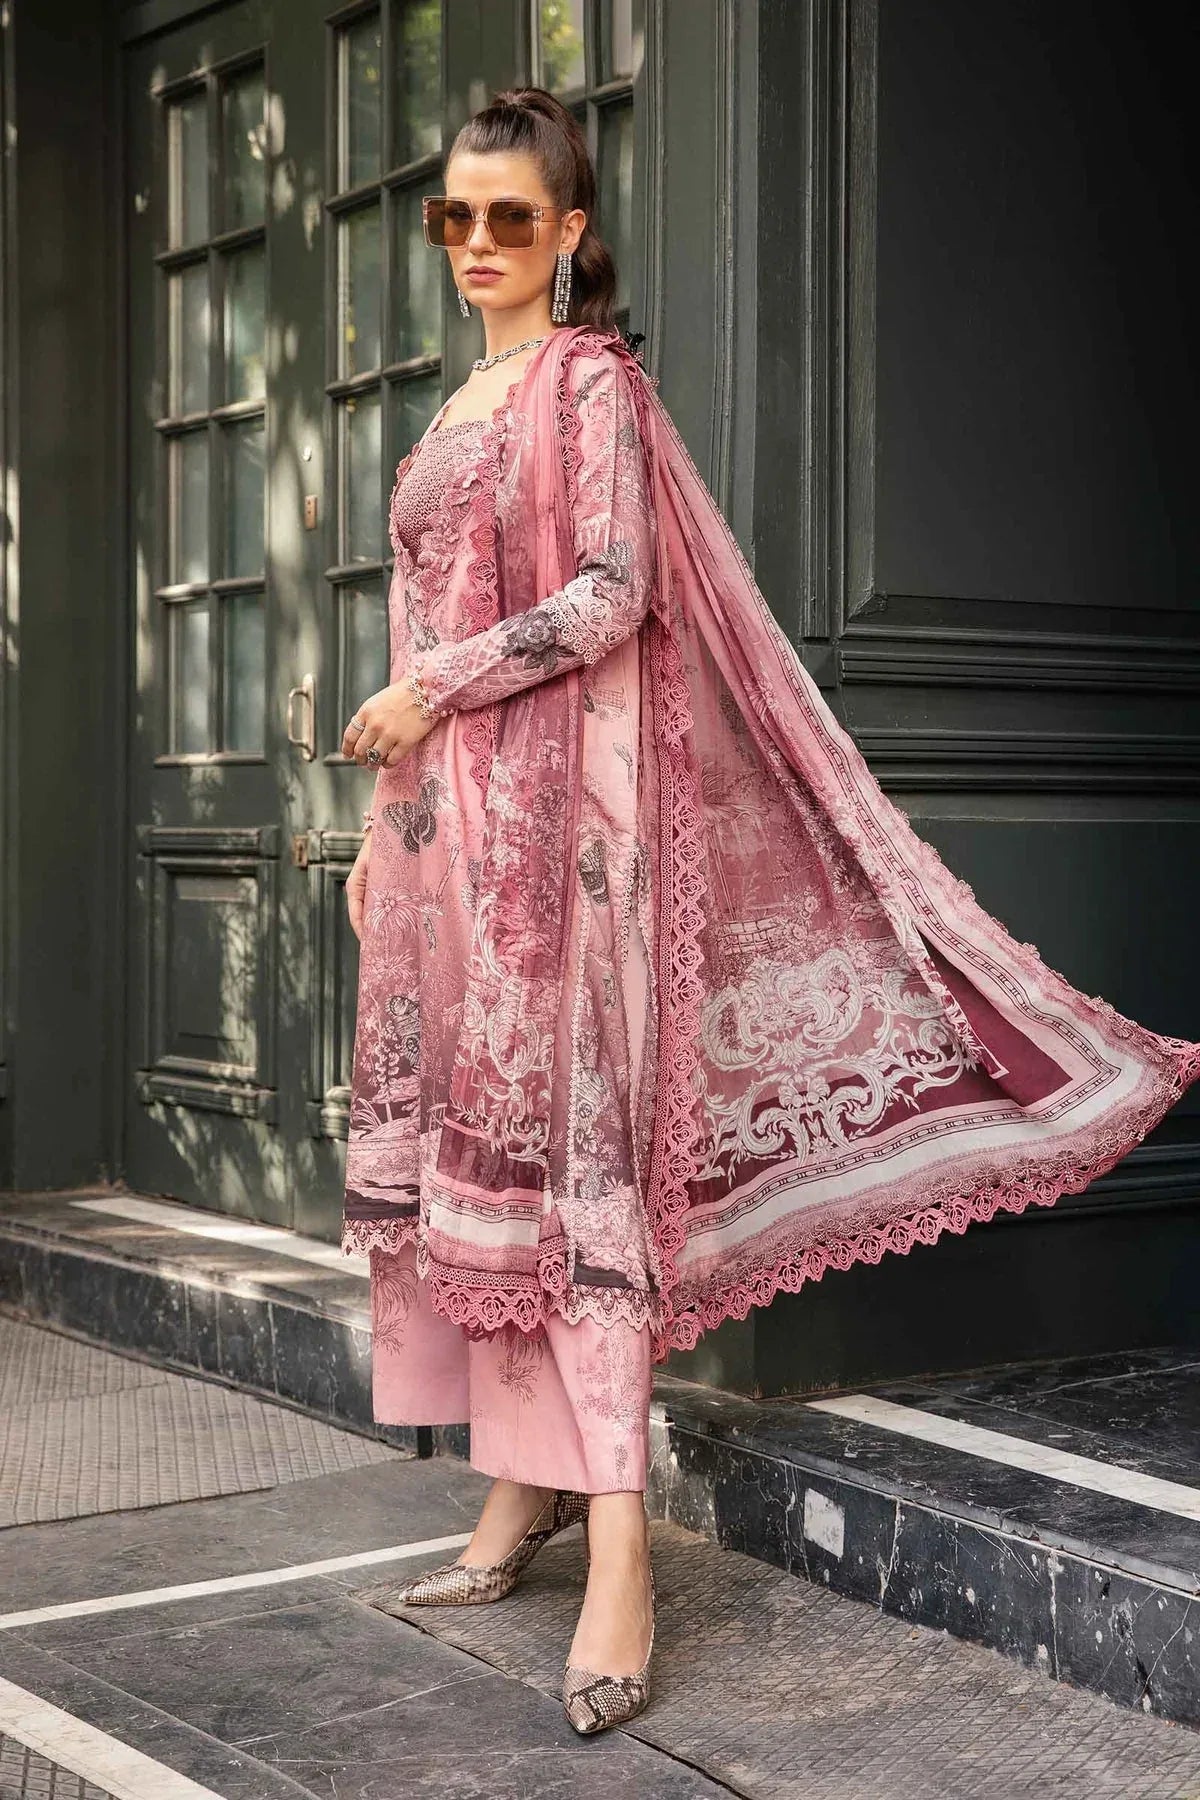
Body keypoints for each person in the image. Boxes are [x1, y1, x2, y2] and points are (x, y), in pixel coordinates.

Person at [337, 87, 1200, 1737]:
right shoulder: (455, 398)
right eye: (457, 216)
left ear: (572, 233)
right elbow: (416, 620)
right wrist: (388, 824)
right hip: (455, 852)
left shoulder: (586, 384)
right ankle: (514, 1502)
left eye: (512, 216)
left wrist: (432, 694)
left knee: (580, 1192)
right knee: (487, 1187)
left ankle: (620, 1566)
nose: (479, 246)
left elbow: (611, 598)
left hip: (561, 867)